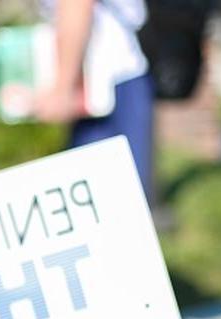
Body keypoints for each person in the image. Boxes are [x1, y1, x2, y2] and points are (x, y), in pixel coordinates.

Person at [33, 0, 155, 204]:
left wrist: (63, 88)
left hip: (108, 81)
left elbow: (76, 6)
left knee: (111, 202)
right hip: (111, 78)